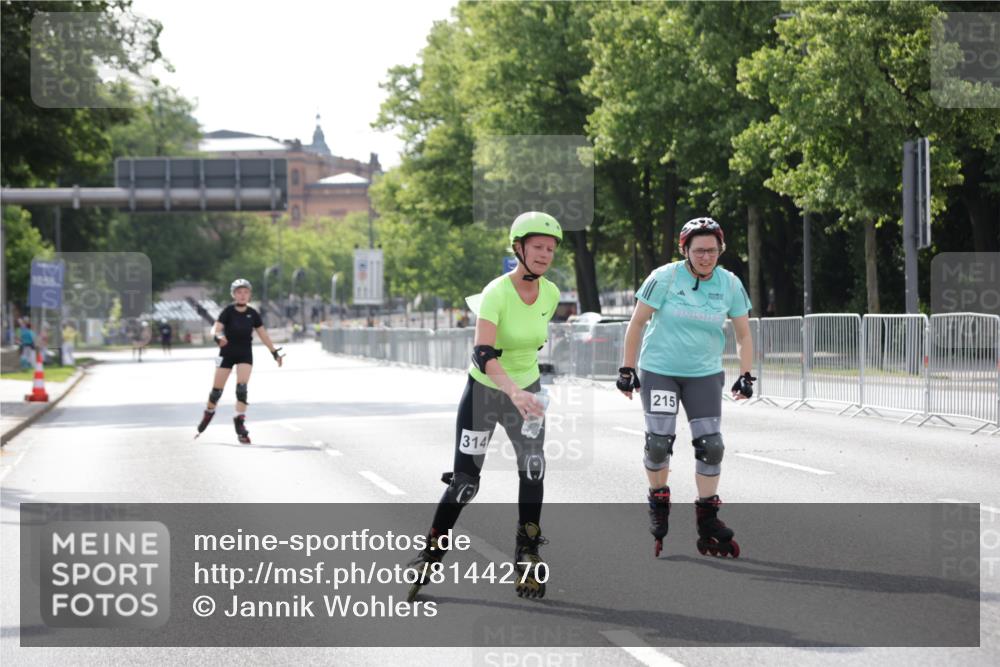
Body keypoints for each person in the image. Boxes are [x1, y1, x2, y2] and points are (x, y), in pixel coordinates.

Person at [406, 211, 563, 601]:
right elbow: (482, 353)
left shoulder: (552, 293)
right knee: (465, 485)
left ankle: (527, 549)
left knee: (533, 467)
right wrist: (513, 391)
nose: (545, 254)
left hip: (527, 391)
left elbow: (532, 345)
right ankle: (433, 550)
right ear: (518, 248)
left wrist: (530, 391)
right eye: (538, 247)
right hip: (486, 393)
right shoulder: (496, 292)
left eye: (551, 248)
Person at [617, 217, 755, 559]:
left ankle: (708, 518)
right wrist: (627, 369)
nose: (706, 257)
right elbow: (637, 323)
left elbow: (743, 334)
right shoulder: (664, 277)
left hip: (704, 373)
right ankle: (659, 498)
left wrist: (746, 374)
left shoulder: (730, 284)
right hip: (661, 370)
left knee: (712, 446)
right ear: (686, 251)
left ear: (721, 250)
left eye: (712, 250)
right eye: (699, 251)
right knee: (660, 443)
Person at [195, 279, 284, 444]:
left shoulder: (253, 313)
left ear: (249, 295)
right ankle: (208, 412)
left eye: (245, 292)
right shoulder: (228, 311)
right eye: (239, 292)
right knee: (216, 392)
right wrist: (218, 337)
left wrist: (274, 352)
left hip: (244, 354)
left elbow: (263, 334)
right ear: (233, 295)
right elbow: (216, 327)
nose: (242, 295)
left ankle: (239, 421)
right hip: (226, 353)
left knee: (242, 389)